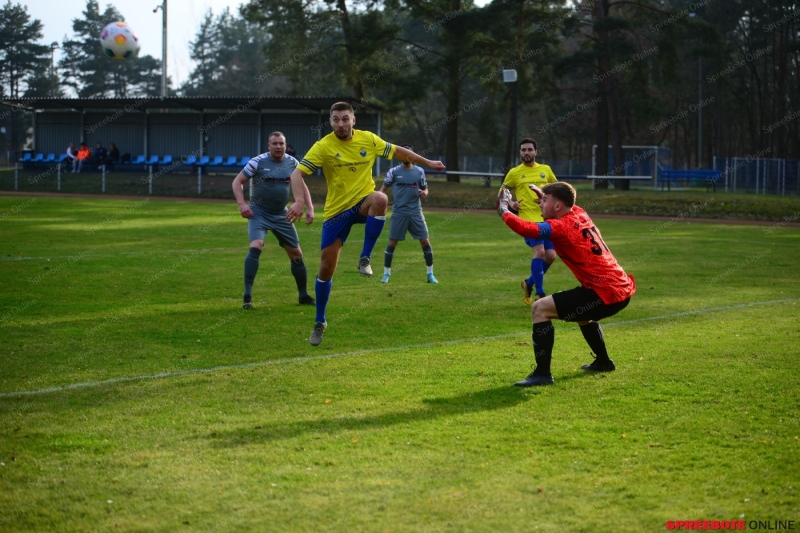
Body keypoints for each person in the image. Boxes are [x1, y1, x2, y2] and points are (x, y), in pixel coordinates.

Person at [286, 101, 446, 346]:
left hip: (363, 202)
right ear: (330, 122)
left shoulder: (368, 139)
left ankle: (365, 258)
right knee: (326, 268)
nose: (341, 124)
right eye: (336, 120)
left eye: (345, 118)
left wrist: (428, 163)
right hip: (337, 212)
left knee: (381, 197)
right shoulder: (324, 146)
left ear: (353, 120)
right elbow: (297, 174)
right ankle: (320, 321)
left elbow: (400, 152)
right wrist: (299, 201)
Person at [497, 182, 636, 386]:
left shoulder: (561, 226)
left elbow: (528, 228)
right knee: (582, 314)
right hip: (621, 289)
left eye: (544, 201)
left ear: (558, 207)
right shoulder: (579, 213)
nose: (540, 205)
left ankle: (542, 374)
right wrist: (544, 196)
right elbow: (565, 204)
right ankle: (603, 361)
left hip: (604, 293)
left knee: (540, 309)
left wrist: (504, 210)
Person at [232, 132, 316, 309]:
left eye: (281, 144)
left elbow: (302, 185)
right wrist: (241, 205)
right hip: (258, 213)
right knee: (256, 245)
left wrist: (310, 207)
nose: (278, 147)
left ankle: (303, 295)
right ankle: (247, 296)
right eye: (275, 143)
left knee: (297, 255)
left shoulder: (292, 162)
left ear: (286, 146)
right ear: (268, 145)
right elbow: (237, 182)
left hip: (281, 214)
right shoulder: (257, 161)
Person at [497, 138, 558, 306]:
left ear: (536, 152)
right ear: (520, 153)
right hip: (527, 221)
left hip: (547, 220)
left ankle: (528, 283)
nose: (526, 153)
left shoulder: (546, 170)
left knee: (551, 256)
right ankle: (540, 294)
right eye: (523, 150)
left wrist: (547, 200)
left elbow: (557, 189)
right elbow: (503, 193)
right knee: (539, 252)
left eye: (529, 149)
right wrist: (511, 204)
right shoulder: (514, 172)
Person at [378, 144, 437, 284]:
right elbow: (382, 191)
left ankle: (430, 274)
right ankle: (386, 274)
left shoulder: (419, 171)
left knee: (425, 241)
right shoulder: (393, 172)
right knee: (392, 243)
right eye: (403, 154)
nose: (406, 157)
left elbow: (425, 188)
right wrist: (376, 202)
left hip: (416, 212)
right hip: (399, 212)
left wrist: (425, 193)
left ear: (413, 156)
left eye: (409, 154)